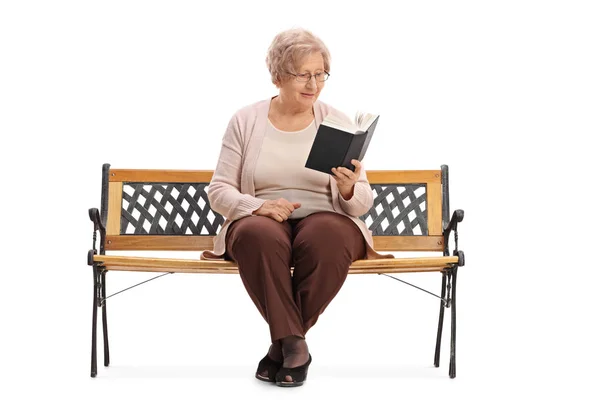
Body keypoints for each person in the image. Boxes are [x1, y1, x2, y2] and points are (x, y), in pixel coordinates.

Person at [201, 27, 394, 387]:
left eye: (320, 74)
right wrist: (256, 206)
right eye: (303, 74)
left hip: (326, 219)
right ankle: (295, 346)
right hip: (265, 218)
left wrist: (350, 189)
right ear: (277, 76)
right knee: (257, 235)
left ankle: (285, 346)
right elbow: (219, 190)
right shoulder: (246, 121)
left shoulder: (335, 120)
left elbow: (362, 204)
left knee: (329, 235)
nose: (314, 84)